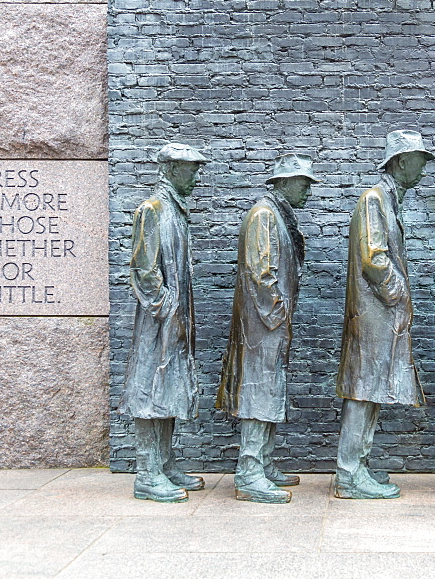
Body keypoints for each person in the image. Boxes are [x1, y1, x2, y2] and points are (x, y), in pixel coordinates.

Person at [335, 129, 435, 499]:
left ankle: (357, 466)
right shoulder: (373, 200)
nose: (423, 170)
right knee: (364, 390)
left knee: (372, 390)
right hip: (374, 315)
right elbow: (374, 259)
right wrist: (400, 296)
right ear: (401, 162)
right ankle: (348, 473)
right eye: (420, 161)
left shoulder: (388, 201)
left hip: (382, 315)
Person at [217, 154, 319, 503]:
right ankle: (249, 472)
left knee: (270, 388)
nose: (307, 190)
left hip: (270, 322)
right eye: (302, 182)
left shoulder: (277, 214)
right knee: (259, 391)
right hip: (264, 323)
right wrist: (277, 313)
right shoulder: (264, 215)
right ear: (283, 182)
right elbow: (262, 273)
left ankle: (263, 461)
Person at [120, 143, 208, 503]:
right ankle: (147, 472)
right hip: (159, 321)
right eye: (192, 169)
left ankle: (165, 463)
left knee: (169, 387)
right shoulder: (152, 209)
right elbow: (144, 268)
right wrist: (165, 306)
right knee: (148, 389)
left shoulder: (175, 210)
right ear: (171, 169)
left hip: (175, 319)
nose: (197, 176)